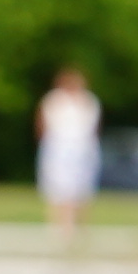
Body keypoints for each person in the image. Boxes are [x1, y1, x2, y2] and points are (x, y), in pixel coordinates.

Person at [35, 64, 101, 245]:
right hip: (59, 146)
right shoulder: (54, 100)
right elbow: (43, 124)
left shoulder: (89, 101)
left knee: (82, 187)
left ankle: (79, 225)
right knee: (57, 186)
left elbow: (93, 127)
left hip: (83, 147)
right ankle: (59, 225)